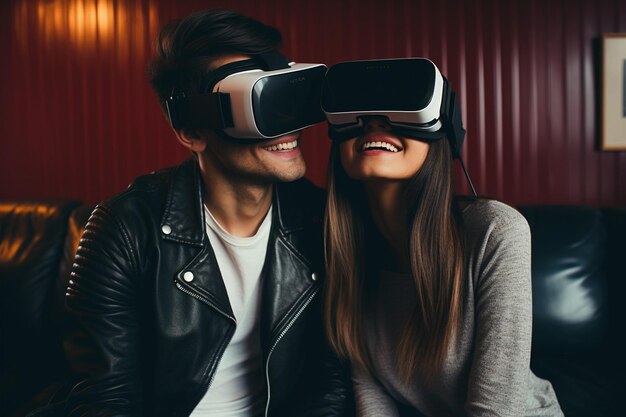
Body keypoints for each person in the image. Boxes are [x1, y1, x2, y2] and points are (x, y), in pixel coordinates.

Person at [60, 9, 351, 417]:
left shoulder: (322, 222)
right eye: (259, 105)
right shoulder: (124, 229)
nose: (287, 127)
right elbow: (105, 397)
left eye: (287, 98)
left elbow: (330, 383)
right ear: (192, 132)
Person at [321, 58, 563, 416]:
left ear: (443, 132)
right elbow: (369, 388)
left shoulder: (497, 230)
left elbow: (495, 410)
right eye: (361, 111)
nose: (374, 122)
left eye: (399, 106)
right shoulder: (345, 251)